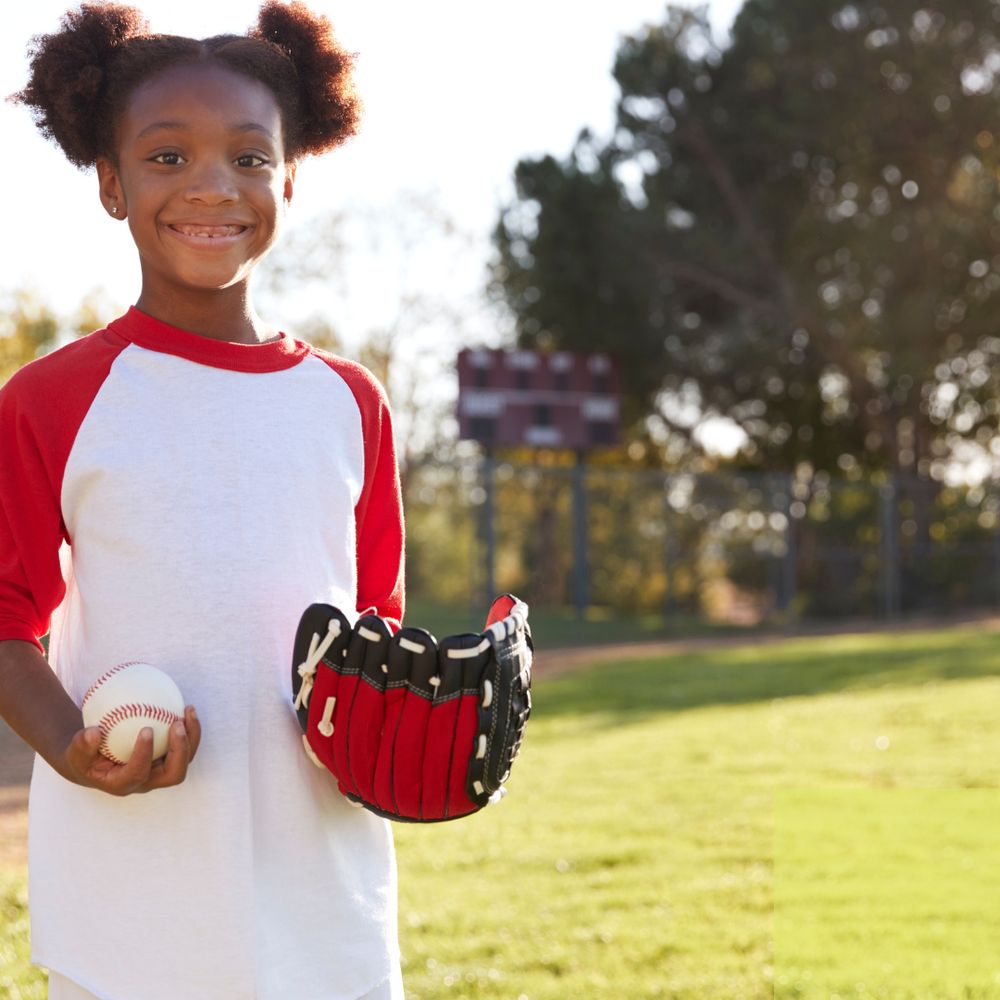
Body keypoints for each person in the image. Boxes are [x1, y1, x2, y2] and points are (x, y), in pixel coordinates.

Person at [0, 3, 406, 998]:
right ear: (111, 183)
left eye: (249, 157)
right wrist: (72, 746)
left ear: (290, 176)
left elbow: (377, 626)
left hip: (325, 891)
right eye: (167, 157)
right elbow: (7, 620)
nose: (213, 186)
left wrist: (400, 739)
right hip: (129, 891)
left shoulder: (351, 404)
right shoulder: (51, 399)